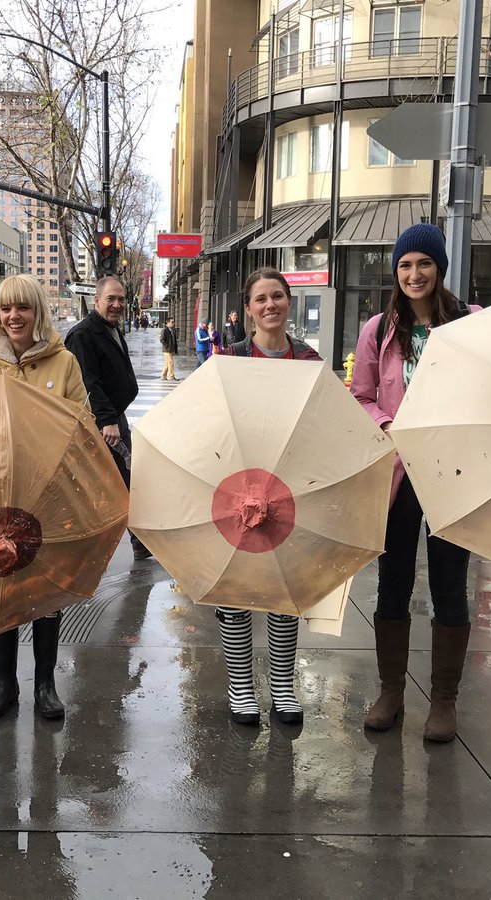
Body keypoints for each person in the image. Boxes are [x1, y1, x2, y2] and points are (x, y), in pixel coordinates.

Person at [350, 223, 477, 744]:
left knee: (450, 586)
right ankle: (391, 693)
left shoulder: (471, 323)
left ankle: (444, 701)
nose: (414, 273)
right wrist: (389, 425)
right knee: (393, 582)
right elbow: (360, 395)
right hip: (399, 473)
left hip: (453, 472)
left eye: (423, 263)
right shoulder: (379, 329)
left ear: (439, 267)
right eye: (405, 265)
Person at [0, 275, 89, 721]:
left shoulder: (64, 362)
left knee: (45, 589)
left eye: (23, 308)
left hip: (49, 495)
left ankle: (46, 684)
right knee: (3, 583)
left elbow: (80, 424)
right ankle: (5, 682)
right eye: (5, 309)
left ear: (38, 313)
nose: (13, 316)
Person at [216, 267, 322, 727]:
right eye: (261, 299)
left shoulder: (309, 359)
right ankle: (241, 687)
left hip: (290, 489)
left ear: (289, 303)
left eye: (278, 296)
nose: (271, 305)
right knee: (236, 586)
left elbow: (323, 423)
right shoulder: (228, 357)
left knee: (285, 587)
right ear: (248, 309)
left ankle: (282, 686)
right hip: (237, 484)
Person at [64, 276, 151, 561]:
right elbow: (88, 382)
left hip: (115, 417)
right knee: (115, 483)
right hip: (102, 425)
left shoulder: (109, 328)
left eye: (121, 299)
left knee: (127, 480)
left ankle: (139, 541)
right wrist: (106, 420)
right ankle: (85, 547)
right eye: (110, 299)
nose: (117, 304)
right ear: (97, 300)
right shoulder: (84, 334)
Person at [159, 317, 179, 382]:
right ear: (168, 323)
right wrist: (167, 346)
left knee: (167, 363)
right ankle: (171, 376)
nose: (174, 323)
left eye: (174, 322)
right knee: (171, 362)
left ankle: (163, 376)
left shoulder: (172, 330)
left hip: (170, 349)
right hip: (167, 350)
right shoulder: (165, 330)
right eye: (172, 322)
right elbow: (162, 339)